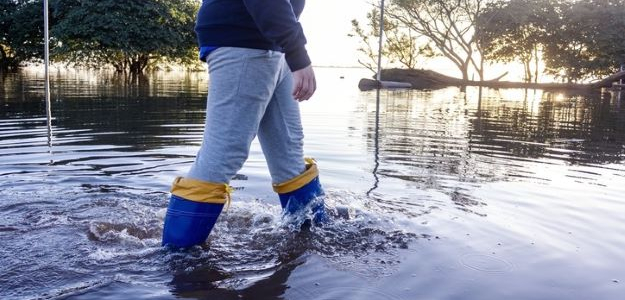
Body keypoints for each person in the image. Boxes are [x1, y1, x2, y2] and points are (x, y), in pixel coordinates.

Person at [161, 0, 327, 248]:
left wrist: (289, 49)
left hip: (272, 46)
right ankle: (176, 257)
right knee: (223, 154)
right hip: (243, 41)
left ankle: (311, 239)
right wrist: (298, 54)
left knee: (289, 155)